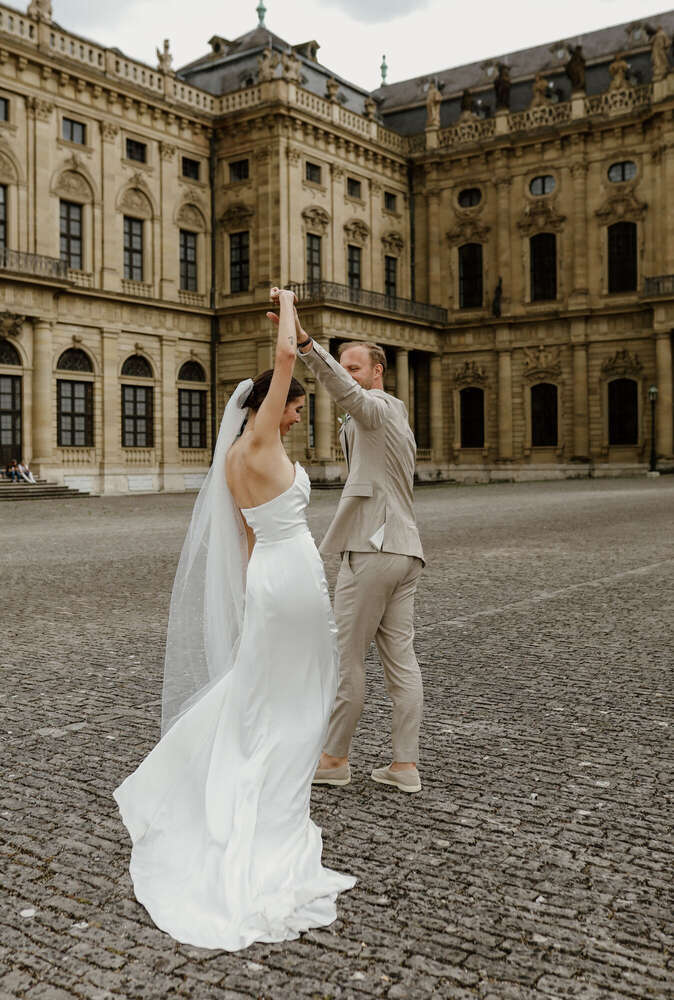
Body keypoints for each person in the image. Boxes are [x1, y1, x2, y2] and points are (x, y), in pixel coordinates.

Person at [113, 287, 355, 951]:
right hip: (295, 581)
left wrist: (252, 601)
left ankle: (243, 780)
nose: (298, 417)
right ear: (271, 408)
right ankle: (267, 817)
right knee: (301, 699)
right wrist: (287, 306)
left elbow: (246, 541)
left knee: (268, 694)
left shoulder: (230, 462)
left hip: (271, 581)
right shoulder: (261, 441)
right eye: (294, 407)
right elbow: (284, 359)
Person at [267, 309, 425, 793]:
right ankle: (404, 765)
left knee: (346, 658)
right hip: (405, 550)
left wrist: (309, 348)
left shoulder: (378, 409)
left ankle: (335, 758)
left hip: (373, 550)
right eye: (344, 365)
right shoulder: (393, 417)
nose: (347, 373)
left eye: (354, 367)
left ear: (377, 372)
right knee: (401, 660)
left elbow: (349, 395)